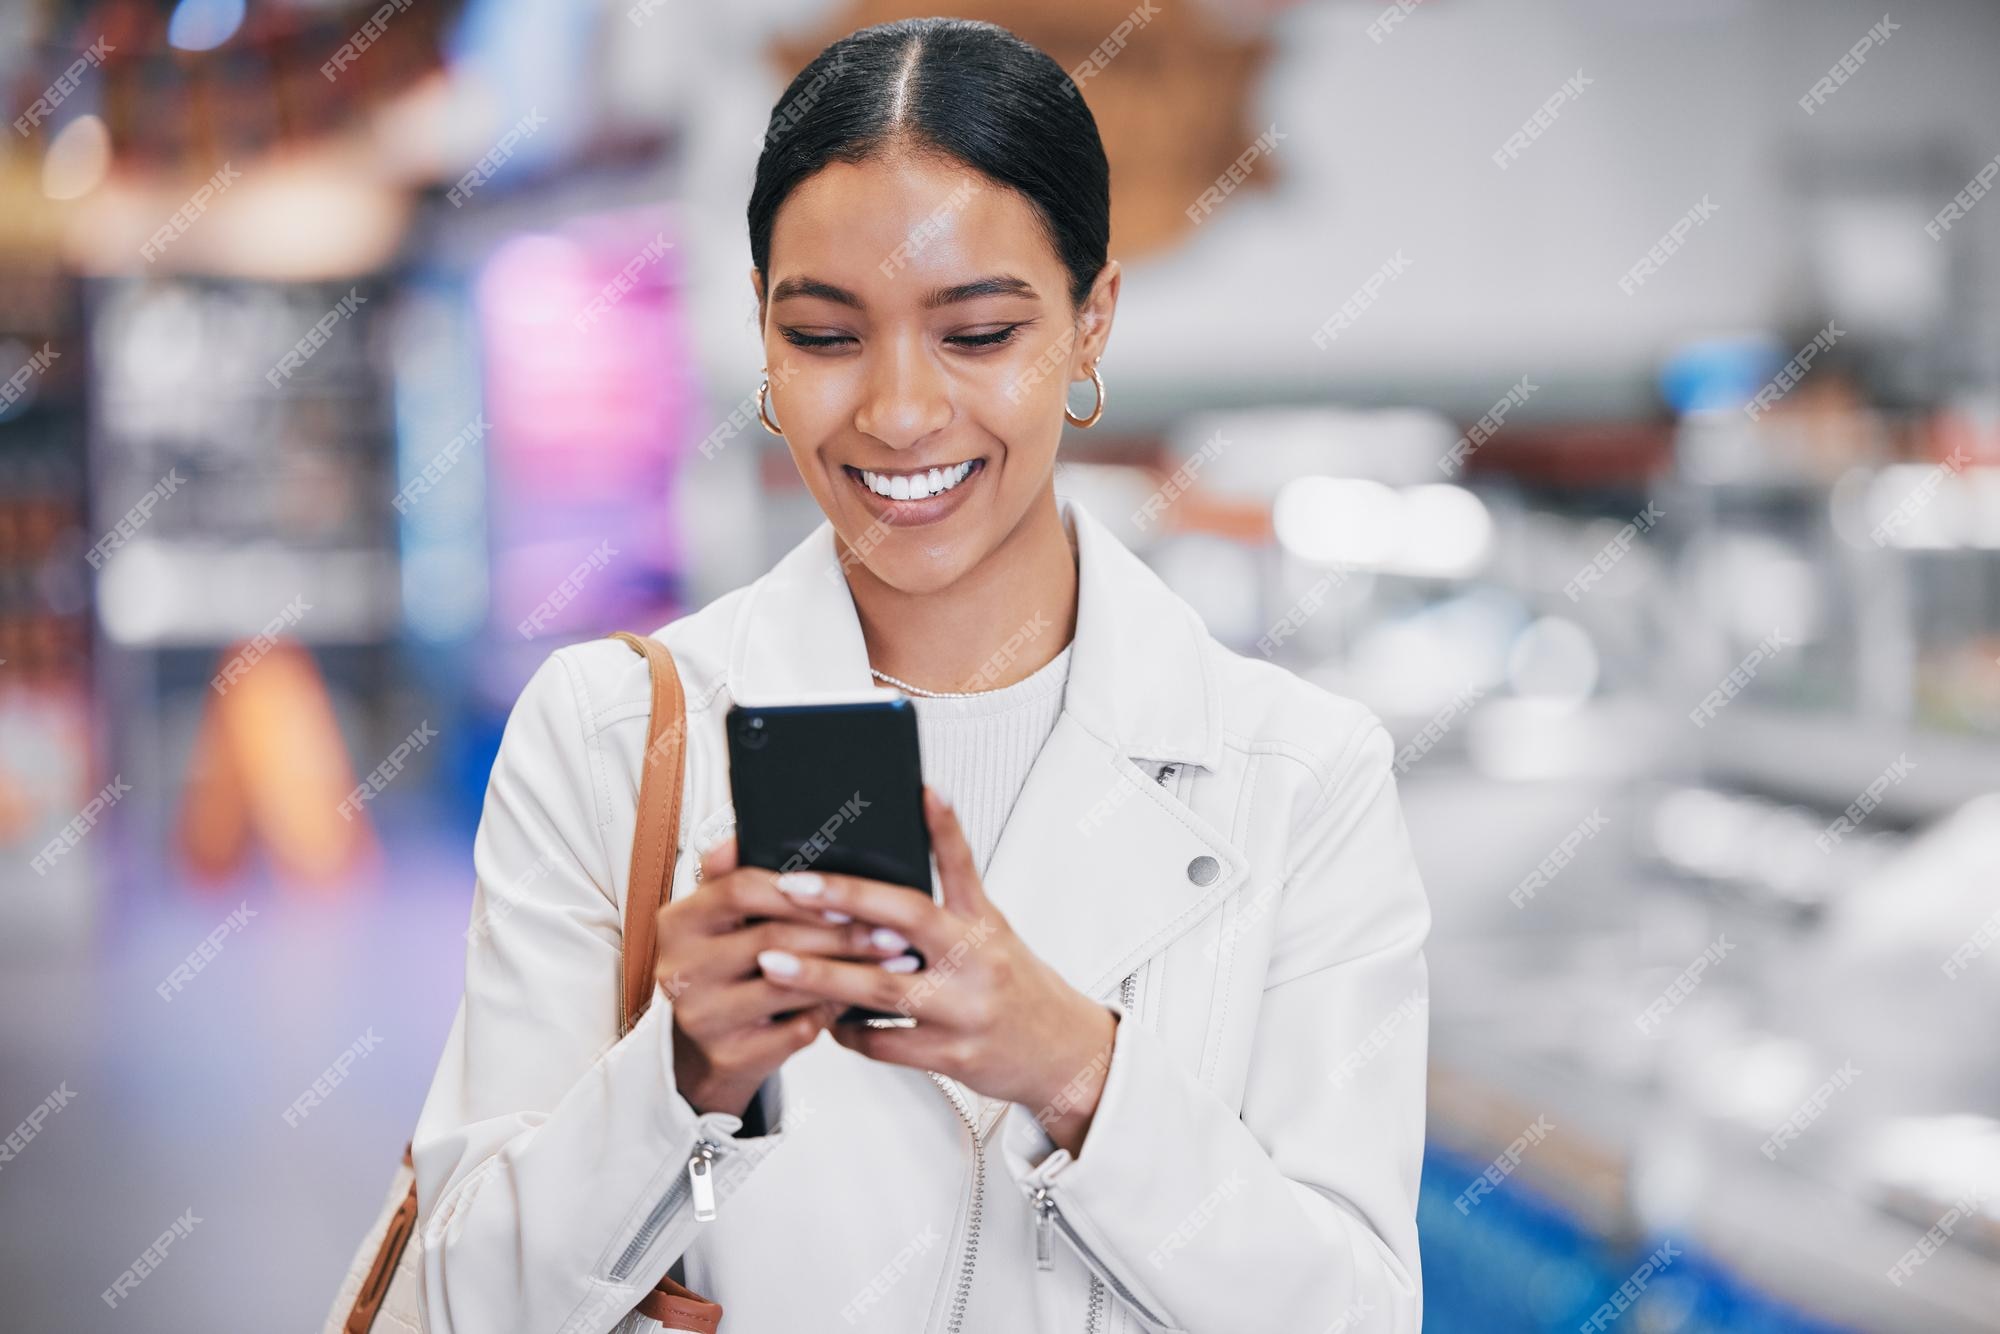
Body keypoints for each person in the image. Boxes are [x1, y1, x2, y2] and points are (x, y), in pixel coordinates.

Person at [410, 17, 1430, 1333]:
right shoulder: (608, 737)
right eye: (827, 337)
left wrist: (1072, 1067)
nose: (897, 412)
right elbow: (460, 1304)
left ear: (1090, 323)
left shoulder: (1302, 778)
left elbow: (1351, 1313)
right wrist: (679, 1077)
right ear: (765, 345)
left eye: (978, 331)